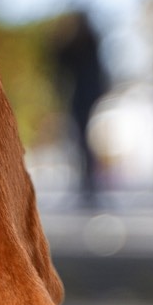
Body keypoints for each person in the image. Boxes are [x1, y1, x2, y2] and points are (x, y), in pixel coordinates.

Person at [49, 11, 108, 204]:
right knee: (80, 138)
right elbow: (59, 62)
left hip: (83, 96)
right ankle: (86, 181)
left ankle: (88, 181)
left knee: (82, 138)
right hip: (81, 95)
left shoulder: (87, 43)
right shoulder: (78, 44)